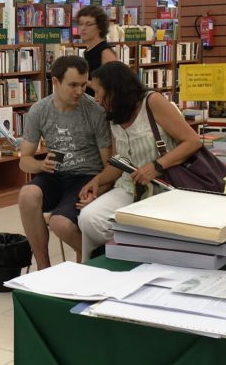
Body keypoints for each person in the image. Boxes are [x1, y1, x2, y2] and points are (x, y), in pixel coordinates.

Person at [77, 62, 202, 258]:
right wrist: (98, 181)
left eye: (98, 91)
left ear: (114, 89)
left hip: (166, 186)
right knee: (89, 219)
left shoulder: (152, 102)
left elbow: (192, 141)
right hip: (130, 187)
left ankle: (129, 257)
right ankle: (105, 261)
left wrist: (156, 166)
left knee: (148, 226)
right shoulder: (114, 114)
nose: (97, 98)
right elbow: (121, 162)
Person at [18, 55, 111, 269]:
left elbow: (108, 166)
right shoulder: (39, 110)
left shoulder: (94, 112)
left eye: (83, 85)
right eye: (73, 85)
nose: (79, 91)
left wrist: (99, 190)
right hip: (55, 175)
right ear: (56, 82)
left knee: (60, 223)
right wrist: (41, 165)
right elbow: (25, 161)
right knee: (27, 194)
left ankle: (97, 262)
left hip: (87, 178)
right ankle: (44, 269)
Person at [76, 4, 117, 96]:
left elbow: (112, 86)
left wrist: (83, 82)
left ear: (100, 27)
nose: (83, 28)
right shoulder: (88, 51)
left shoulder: (105, 52)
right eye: (81, 24)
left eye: (89, 24)